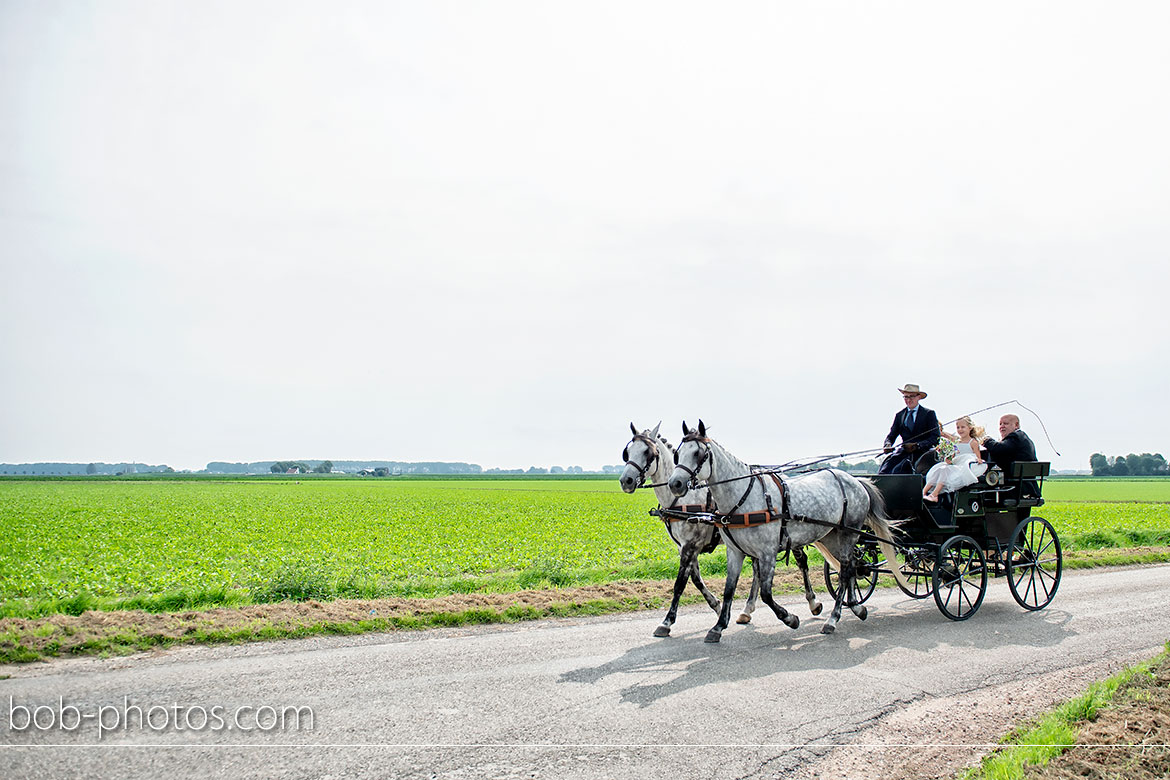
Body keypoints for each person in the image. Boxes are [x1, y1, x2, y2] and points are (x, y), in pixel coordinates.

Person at [879, 384, 941, 475]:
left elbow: (935, 437)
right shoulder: (899, 415)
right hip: (903, 452)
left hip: (924, 453)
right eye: (906, 397)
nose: (908, 400)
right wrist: (888, 444)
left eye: (911, 396)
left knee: (902, 470)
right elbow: (891, 435)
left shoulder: (928, 414)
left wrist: (918, 445)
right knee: (885, 470)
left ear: (918, 397)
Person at [923, 416, 986, 502]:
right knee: (938, 470)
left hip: (963, 466)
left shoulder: (972, 442)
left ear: (970, 428)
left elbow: (977, 456)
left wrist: (979, 460)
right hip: (956, 464)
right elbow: (952, 455)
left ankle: (934, 494)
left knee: (944, 470)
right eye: (958, 427)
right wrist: (948, 460)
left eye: (963, 427)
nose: (960, 430)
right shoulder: (956, 441)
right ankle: (923, 492)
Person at [983, 413, 1039, 495]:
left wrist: (986, 440)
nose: (1002, 426)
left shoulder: (1015, 437)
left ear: (1016, 425)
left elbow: (998, 449)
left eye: (1005, 423)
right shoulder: (1023, 438)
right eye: (1000, 424)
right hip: (1027, 485)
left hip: (1015, 487)